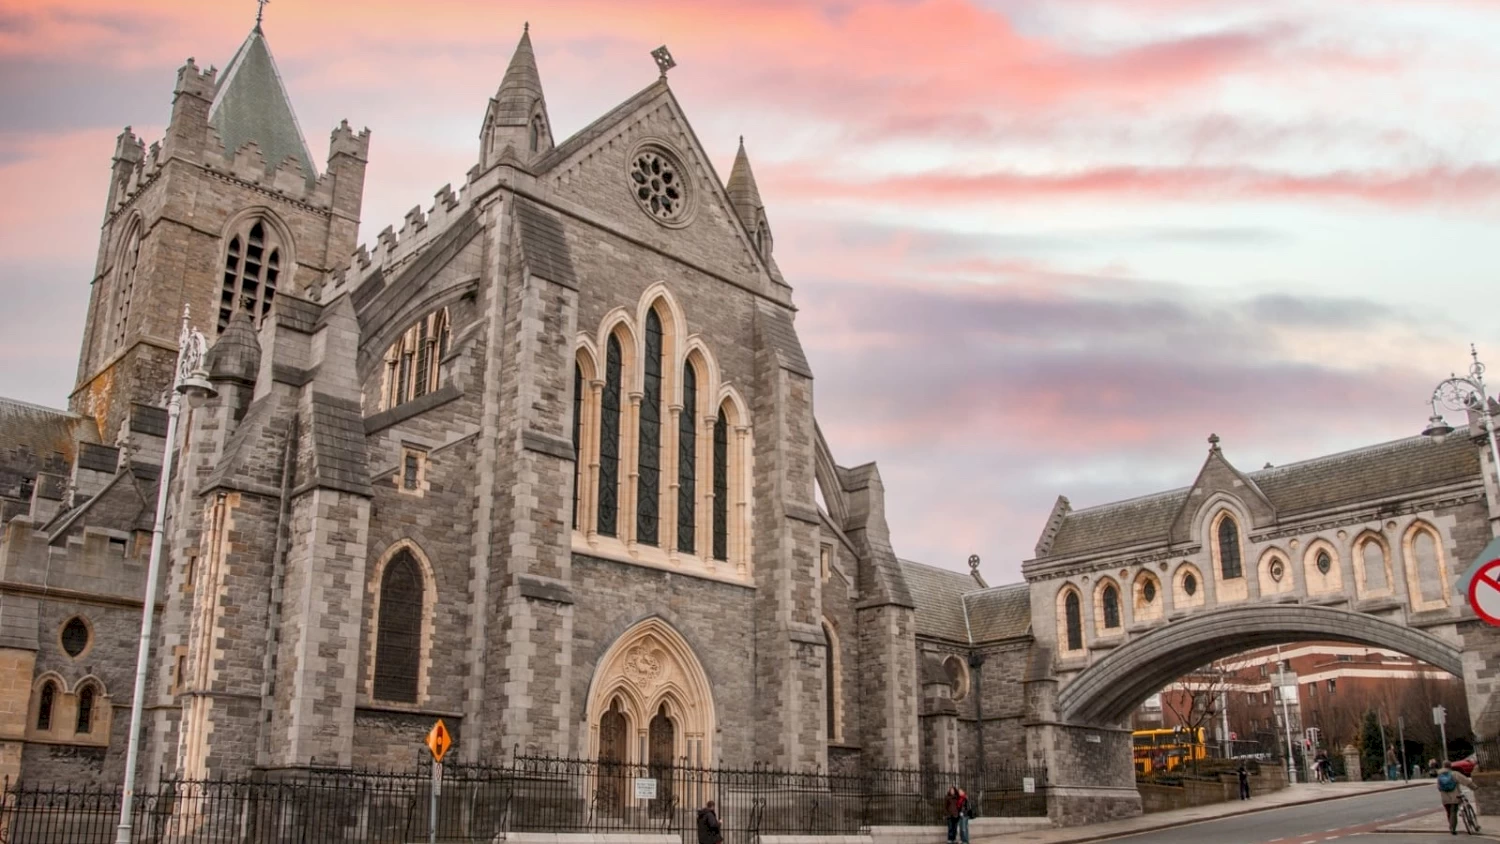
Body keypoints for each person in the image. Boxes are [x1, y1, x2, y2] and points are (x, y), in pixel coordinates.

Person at [1437, 760, 1477, 835]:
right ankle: (1453, 828)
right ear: (1450, 766)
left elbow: (1439, 788)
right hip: (1455, 796)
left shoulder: (1439, 776)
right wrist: (1474, 787)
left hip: (1445, 798)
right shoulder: (1454, 774)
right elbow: (1466, 781)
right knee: (1453, 812)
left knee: (1449, 812)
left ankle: (1451, 826)